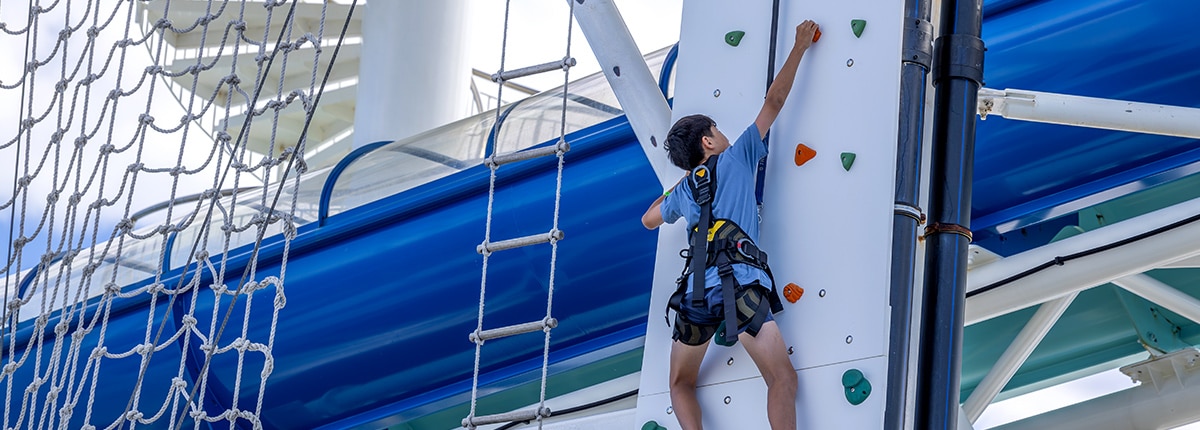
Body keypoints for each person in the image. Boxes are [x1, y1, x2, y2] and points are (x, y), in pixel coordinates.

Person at [641, 20, 820, 430]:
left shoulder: (685, 190)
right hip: (739, 285)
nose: (721, 134)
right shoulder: (738, 158)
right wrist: (799, 47)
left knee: (679, 383)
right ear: (708, 141)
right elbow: (774, 101)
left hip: (695, 297)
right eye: (716, 130)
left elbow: (649, 218)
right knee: (781, 379)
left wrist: (680, 186)